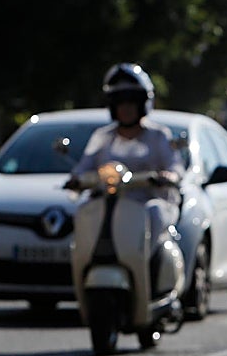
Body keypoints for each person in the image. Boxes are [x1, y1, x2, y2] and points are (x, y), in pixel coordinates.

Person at [67, 63, 184, 258]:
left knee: (154, 212)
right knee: (84, 210)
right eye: (120, 102)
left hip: (147, 204)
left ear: (143, 103)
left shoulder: (159, 136)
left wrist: (168, 176)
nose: (126, 108)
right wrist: (76, 180)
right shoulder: (102, 137)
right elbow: (83, 168)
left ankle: (145, 264)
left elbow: (175, 168)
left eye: (131, 101)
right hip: (110, 205)